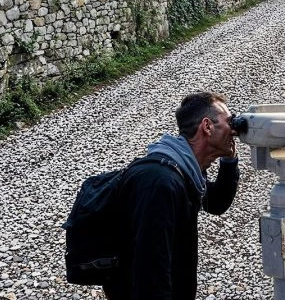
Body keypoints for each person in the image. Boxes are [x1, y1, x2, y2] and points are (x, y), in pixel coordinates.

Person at [103, 92, 241, 300]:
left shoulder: (185, 168)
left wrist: (230, 161)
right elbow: (150, 273)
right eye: (230, 121)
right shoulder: (161, 182)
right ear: (207, 126)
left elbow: (216, 203)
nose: (234, 130)